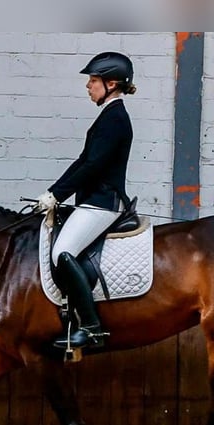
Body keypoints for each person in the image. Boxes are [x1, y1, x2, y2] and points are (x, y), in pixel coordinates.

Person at [35, 51, 137, 349]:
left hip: (103, 203)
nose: (88, 86)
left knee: (63, 252)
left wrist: (58, 194)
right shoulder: (107, 116)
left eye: (93, 80)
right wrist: (53, 192)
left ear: (112, 83)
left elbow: (93, 166)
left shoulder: (115, 119)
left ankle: (92, 328)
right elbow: (83, 160)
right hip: (92, 200)